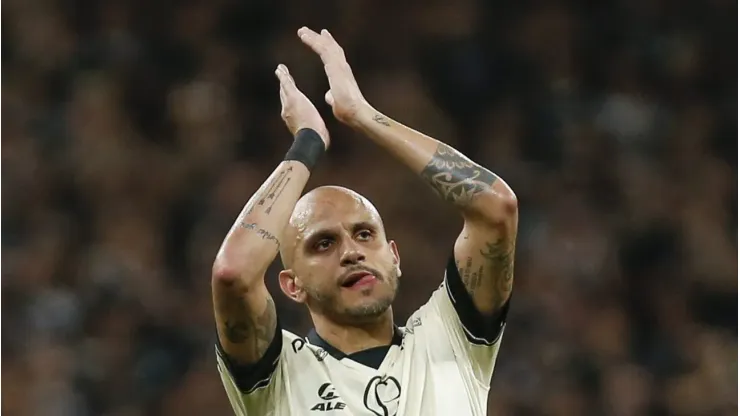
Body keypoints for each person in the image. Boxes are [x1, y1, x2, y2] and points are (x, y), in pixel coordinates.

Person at [212, 27, 518, 416]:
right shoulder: (278, 376)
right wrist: (308, 141)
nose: (352, 252)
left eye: (364, 234)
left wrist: (363, 115)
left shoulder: (450, 338)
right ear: (292, 285)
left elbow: (496, 207)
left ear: (394, 255)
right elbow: (233, 273)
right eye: (323, 243)